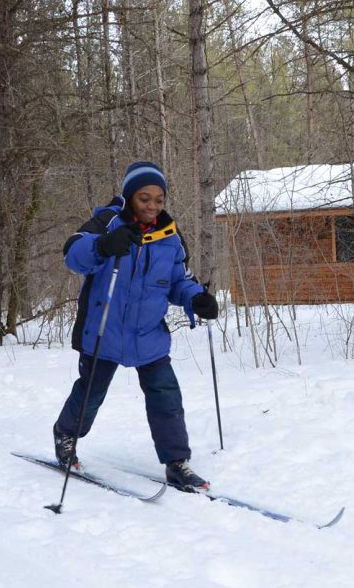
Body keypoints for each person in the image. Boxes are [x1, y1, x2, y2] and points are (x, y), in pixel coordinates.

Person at [53, 161, 220, 491]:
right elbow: (73, 254)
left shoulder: (170, 236)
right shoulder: (107, 222)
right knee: (90, 392)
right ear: (130, 197)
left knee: (165, 395)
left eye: (159, 199)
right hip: (104, 330)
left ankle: (177, 462)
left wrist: (196, 298)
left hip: (148, 334)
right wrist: (102, 245)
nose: (153, 206)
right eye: (145, 198)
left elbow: (176, 283)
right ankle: (66, 436)